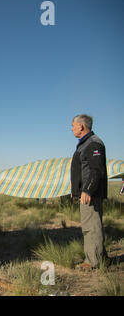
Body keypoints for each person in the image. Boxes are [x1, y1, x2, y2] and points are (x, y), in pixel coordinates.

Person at [70, 114, 108, 269]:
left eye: (73, 125)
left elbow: (96, 170)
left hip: (91, 193)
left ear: (81, 126)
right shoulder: (85, 144)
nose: (71, 128)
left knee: (90, 227)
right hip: (87, 192)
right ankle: (100, 257)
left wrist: (87, 190)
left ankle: (92, 262)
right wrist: (77, 190)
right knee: (91, 225)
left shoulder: (93, 144)